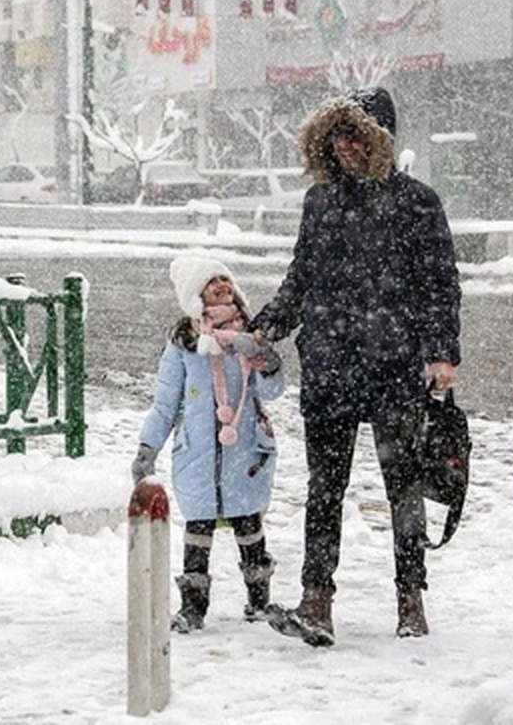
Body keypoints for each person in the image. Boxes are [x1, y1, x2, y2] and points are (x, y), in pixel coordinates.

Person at [248, 86, 462, 647]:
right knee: (325, 487)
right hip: (330, 364)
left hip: (395, 364)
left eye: (355, 136)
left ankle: (410, 598)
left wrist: (442, 352)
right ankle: (316, 599)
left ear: (379, 141)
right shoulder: (320, 203)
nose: (344, 146)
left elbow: (440, 285)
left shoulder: (418, 202)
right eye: (336, 136)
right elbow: (301, 277)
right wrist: (269, 324)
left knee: (403, 487)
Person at [133, 253, 285, 633]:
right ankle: (194, 607)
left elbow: (273, 389)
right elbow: (166, 404)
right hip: (198, 453)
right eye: (211, 282)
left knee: (248, 522)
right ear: (193, 295)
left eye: (225, 280)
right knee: (198, 528)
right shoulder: (183, 344)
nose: (221, 286)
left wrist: (264, 358)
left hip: (245, 449)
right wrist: (148, 447)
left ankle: (259, 600)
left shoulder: (249, 334)